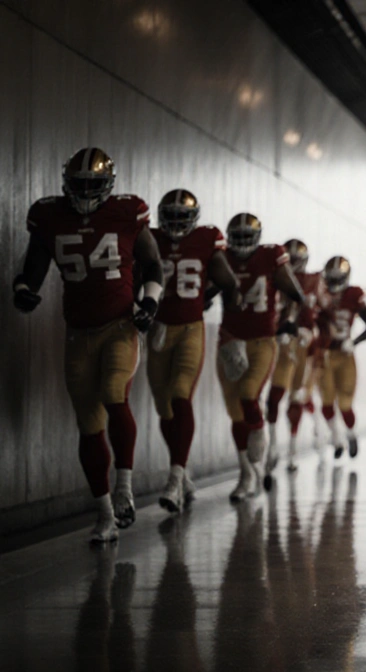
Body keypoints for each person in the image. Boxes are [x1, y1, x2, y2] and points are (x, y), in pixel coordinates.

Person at [12, 147, 162, 542]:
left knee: (115, 394)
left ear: (109, 187)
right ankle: (104, 515)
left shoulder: (127, 212)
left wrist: (148, 302)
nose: (85, 192)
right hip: (77, 331)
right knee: (88, 424)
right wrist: (23, 289)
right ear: (66, 182)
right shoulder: (49, 215)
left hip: (119, 326)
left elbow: (152, 263)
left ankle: (125, 488)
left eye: (93, 185)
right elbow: (33, 268)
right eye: (79, 185)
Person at [147, 189, 240, 512]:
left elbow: (228, 281)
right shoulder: (150, 237)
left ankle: (174, 478)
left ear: (193, 220)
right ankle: (182, 471)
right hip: (159, 327)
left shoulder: (206, 240)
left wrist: (205, 295)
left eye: (181, 217)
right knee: (163, 406)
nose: (174, 224)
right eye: (169, 217)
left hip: (190, 328)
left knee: (179, 394)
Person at [219, 213, 304, 502]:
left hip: (263, 341)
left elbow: (295, 294)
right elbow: (204, 292)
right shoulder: (221, 256)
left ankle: (262, 435)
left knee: (249, 395)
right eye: (237, 238)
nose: (242, 244)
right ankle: (247, 472)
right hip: (230, 340)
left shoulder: (271, 257)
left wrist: (289, 322)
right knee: (235, 412)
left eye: (247, 237)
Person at [266, 239, 323, 473]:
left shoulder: (313, 282)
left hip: (301, 343)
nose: (295, 267)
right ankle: (272, 447)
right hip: (275, 341)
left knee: (297, 397)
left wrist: (313, 334)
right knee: (274, 397)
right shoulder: (272, 277)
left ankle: (291, 449)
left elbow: (322, 315)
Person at [317, 256, 366, 460]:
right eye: (330, 279)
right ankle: (336, 437)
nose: (333, 284)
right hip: (323, 354)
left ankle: (350, 434)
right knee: (326, 403)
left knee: (344, 404)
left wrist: (355, 341)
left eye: (337, 279)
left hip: (344, 355)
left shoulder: (354, 294)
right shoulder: (318, 292)